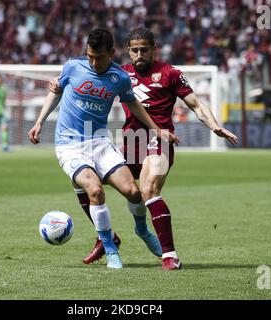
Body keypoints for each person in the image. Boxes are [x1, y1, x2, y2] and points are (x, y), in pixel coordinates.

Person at [50, 27, 238, 270]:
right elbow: (87, 77)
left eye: (144, 50)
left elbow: (196, 104)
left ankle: (170, 255)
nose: (139, 54)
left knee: (148, 189)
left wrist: (214, 127)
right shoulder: (119, 73)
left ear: (154, 49)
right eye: (135, 50)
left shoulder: (171, 74)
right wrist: (58, 84)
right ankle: (105, 237)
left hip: (159, 140)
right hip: (130, 141)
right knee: (85, 182)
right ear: (127, 51)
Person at [28, 28, 179, 269]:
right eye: (90, 56)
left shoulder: (119, 78)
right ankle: (110, 249)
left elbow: (133, 103)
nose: (93, 62)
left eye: (99, 57)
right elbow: (56, 92)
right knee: (95, 191)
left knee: (133, 192)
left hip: (100, 142)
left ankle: (142, 230)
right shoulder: (73, 67)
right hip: (70, 145)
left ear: (111, 53)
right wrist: (39, 121)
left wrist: (155, 129)